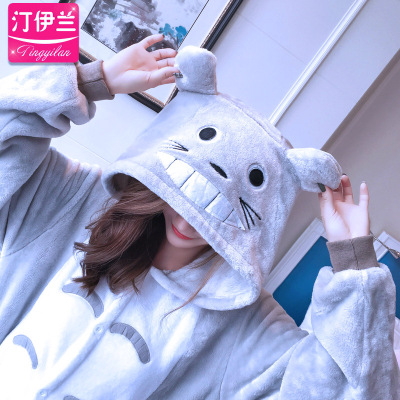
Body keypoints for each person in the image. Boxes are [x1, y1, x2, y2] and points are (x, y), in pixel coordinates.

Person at [0, 34, 398, 400]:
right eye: (186, 197)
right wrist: (91, 80)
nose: (190, 223)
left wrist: (355, 266)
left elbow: (350, 391)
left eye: (218, 216)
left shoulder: (244, 325)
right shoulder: (77, 201)